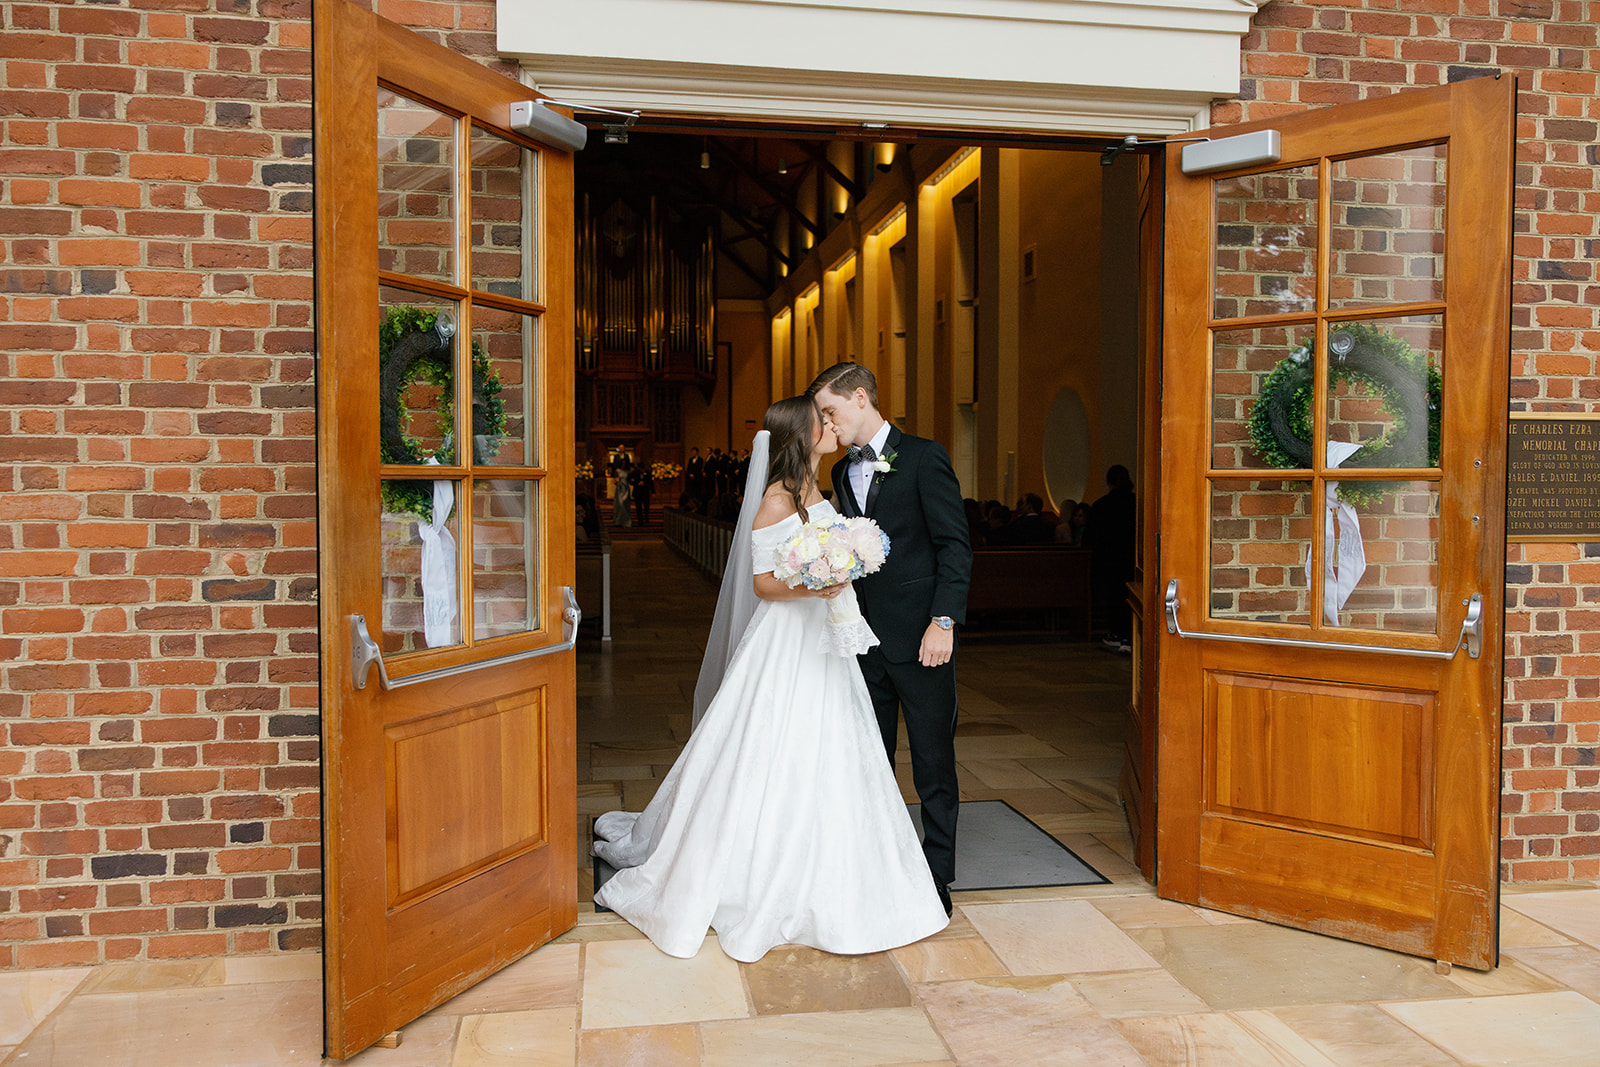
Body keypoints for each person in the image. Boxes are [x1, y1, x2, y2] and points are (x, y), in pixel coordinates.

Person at [591, 397, 948, 962]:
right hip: (786, 641)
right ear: (799, 437)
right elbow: (762, 584)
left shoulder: (819, 489)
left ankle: (842, 861)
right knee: (773, 742)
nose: (831, 427)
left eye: (831, 418)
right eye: (821, 422)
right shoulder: (776, 501)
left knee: (835, 745)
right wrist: (819, 582)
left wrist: (843, 567)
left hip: (825, 640)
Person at [808, 362, 971, 916]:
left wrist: (942, 622)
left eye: (830, 410)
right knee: (870, 762)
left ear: (860, 398)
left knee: (932, 764)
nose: (828, 424)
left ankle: (937, 876)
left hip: (923, 639)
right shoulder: (839, 473)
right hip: (863, 640)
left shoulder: (925, 457)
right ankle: (879, 871)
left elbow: (954, 547)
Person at [1086, 464, 1136, 652]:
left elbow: (1091, 537)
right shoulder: (1135, 503)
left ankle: (1117, 634)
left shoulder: (1100, 506)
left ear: (1108, 482)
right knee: (1130, 597)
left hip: (1109, 560)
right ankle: (1130, 636)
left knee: (1114, 598)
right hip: (1132, 559)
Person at [611, 459, 632, 527]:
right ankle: (619, 520)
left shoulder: (628, 471)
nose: (623, 465)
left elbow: (630, 479)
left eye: (624, 464)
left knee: (625, 504)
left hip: (625, 488)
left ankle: (626, 521)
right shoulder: (617, 470)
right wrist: (616, 481)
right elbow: (615, 478)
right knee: (620, 503)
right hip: (620, 488)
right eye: (622, 463)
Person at [633, 460, 653, 526]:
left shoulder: (648, 472)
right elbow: (630, 479)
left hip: (645, 491)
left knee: (646, 506)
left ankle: (646, 518)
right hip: (637, 491)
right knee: (638, 507)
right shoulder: (635, 472)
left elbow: (650, 481)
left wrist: (644, 483)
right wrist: (637, 483)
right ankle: (640, 520)